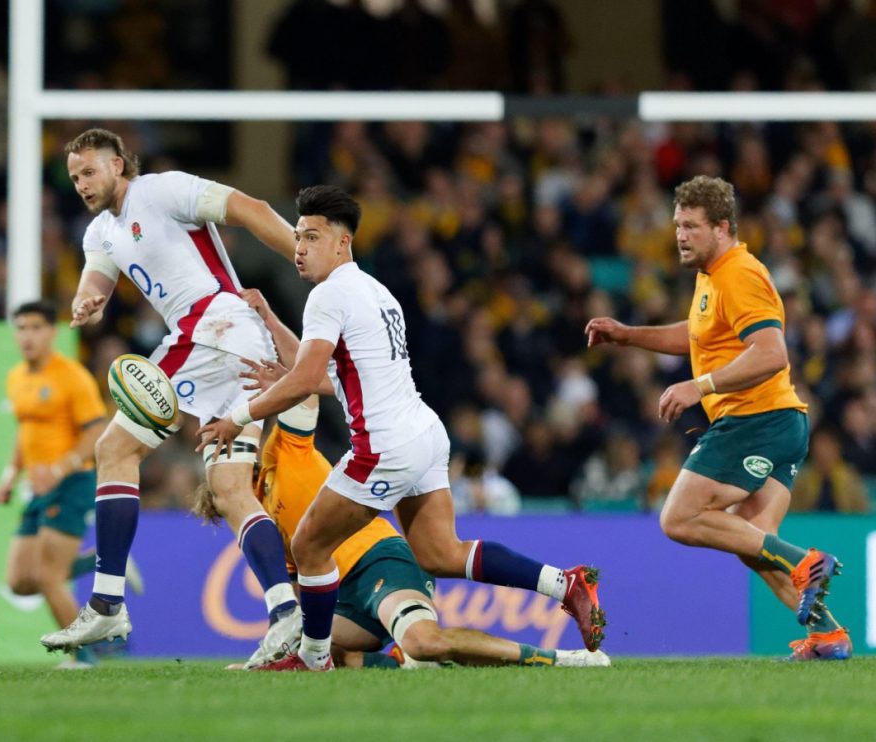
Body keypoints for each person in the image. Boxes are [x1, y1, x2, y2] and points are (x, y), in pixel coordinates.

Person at [199, 187, 605, 672]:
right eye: (299, 237)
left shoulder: (327, 295)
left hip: (384, 447)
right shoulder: (376, 291)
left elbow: (307, 380)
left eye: (312, 237)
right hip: (424, 434)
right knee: (440, 553)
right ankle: (564, 583)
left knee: (308, 545)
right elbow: (339, 378)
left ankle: (311, 657)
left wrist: (238, 417)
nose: (300, 248)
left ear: (343, 243)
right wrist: (273, 332)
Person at [40, 128, 305, 669]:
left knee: (114, 450)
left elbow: (251, 209)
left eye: (89, 171)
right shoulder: (100, 232)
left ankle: (107, 602)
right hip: (228, 344)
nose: (81, 184)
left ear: (118, 164)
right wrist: (87, 301)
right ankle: (286, 612)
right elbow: (97, 281)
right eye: (74, 177)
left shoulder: (162, 190)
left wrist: (306, 259)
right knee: (229, 488)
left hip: (214, 327)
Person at [585, 175, 851, 662]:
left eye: (691, 226)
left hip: (756, 420)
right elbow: (698, 336)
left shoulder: (738, 274)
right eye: (677, 225)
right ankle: (828, 635)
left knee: (679, 518)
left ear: (722, 227)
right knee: (753, 543)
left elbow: (771, 352)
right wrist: (628, 335)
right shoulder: (713, 275)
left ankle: (806, 562)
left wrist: (699, 386)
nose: (680, 235)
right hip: (779, 422)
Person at [195, 394, 609, 670]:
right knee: (319, 647)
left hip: (381, 561)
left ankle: (560, 659)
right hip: (345, 599)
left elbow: (302, 391)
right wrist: (271, 657)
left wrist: (254, 402)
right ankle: (397, 662)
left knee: (425, 641)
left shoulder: (280, 453)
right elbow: (299, 598)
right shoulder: (263, 532)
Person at [0, 299, 110, 669]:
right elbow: (25, 432)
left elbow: (96, 430)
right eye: (21, 328)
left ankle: (84, 654)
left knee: (46, 577)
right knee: (19, 581)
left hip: (71, 482)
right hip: (38, 487)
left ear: (52, 333)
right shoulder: (16, 377)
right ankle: (95, 561)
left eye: (36, 328)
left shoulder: (72, 376)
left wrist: (59, 469)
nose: (27, 336)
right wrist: (10, 475)